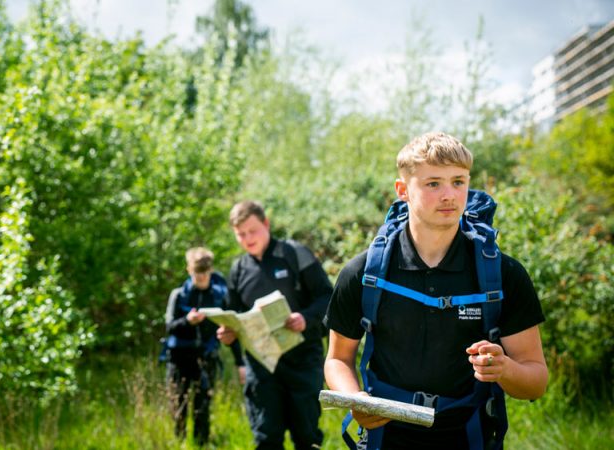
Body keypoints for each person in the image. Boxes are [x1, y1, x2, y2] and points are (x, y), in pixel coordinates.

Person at [323, 132, 548, 450]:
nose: (449, 195)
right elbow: (337, 359)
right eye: (433, 183)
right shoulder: (363, 273)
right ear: (403, 191)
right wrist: (355, 399)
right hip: (386, 437)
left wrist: (505, 369)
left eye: (458, 181)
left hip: (468, 435)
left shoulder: (503, 275)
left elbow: (536, 382)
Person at [217, 201, 333, 450]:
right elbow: (234, 317)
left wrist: (305, 318)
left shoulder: (295, 254)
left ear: (266, 224)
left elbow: (327, 297)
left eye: (252, 231)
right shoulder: (238, 269)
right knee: (266, 438)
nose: (247, 238)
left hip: (303, 361)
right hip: (261, 368)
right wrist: (229, 336)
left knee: (307, 437)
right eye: (241, 234)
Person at [165, 246, 245, 446]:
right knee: (178, 406)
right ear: (188, 270)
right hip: (179, 358)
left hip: (206, 357)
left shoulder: (220, 296)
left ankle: (202, 444)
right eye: (196, 272)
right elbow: (169, 327)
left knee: (202, 407)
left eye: (204, 271)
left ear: (210, 269)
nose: (200, 276)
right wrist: (188, 321)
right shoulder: (178, 295)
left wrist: (239, 363)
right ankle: (181, 443)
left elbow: (230, 329)